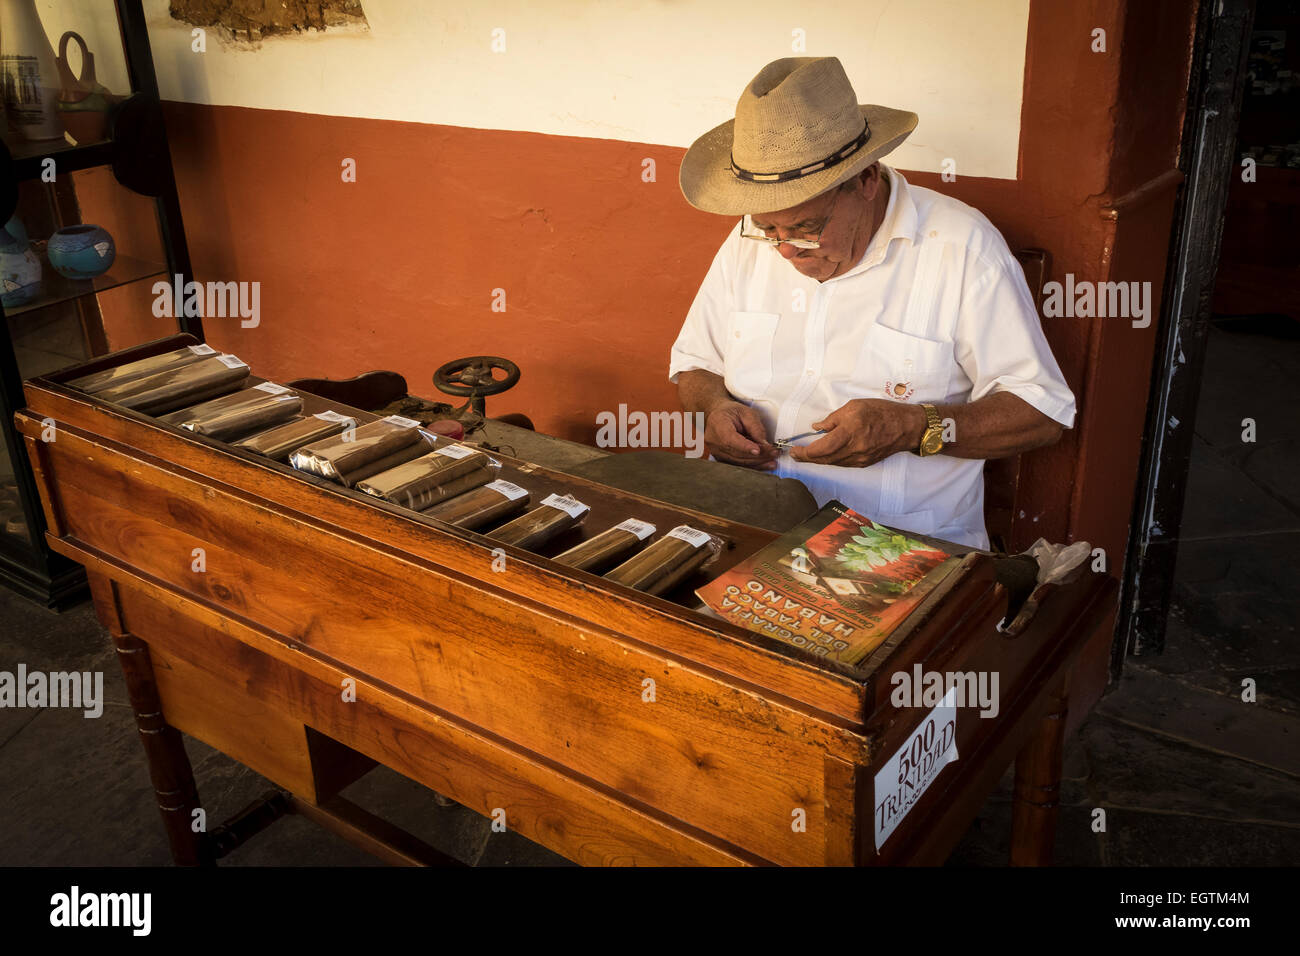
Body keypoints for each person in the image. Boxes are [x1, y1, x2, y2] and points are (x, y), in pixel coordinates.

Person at [670, 56, 1076, 549]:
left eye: (806, 228)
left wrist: (913, 427)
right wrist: (712, 407)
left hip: (896, 546)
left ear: (866, 179)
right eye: (768, 230)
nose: (785, 250)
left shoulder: (962, 248)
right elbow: (694, 364)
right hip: (749, 525)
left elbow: (1042, 411)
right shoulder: (749, 240)